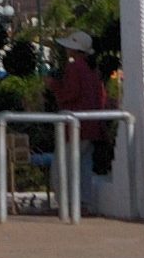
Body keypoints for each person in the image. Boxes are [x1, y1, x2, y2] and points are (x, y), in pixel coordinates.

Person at [43, 29, 112, 175]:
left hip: (77, 127)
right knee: (82, 170)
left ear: (74, 49)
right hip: (92, 126)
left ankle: (66, 198)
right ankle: (80, 198)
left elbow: (70, 94)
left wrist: (53, 85)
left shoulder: (74, 67)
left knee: (62, 171)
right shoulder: (92, 69)